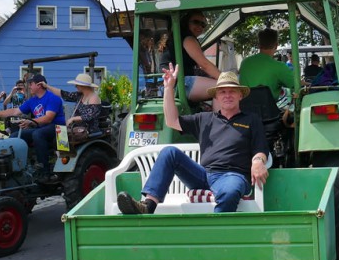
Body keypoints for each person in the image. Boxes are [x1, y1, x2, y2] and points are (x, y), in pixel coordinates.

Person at [116, 67, 271, 215]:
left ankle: (216, 233)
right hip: (203, 176)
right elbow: (172, 121)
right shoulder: (204, 119)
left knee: (229, 191)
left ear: (240, 95)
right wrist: (169, 88)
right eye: (222, 91)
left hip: (232, 175)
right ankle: (148, 206)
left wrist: (258, 160)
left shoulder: (251, 120)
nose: (227, 95)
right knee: (169, 153)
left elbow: (261, 148)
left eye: (232, 91)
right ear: (216, 96)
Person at [0, 73, 66, 181]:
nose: (29, 86)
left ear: (39, 85)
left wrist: (31, 121)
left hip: (59, 129)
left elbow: (48, 118)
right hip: (41, 127)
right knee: (15, 136)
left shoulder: (53, 98)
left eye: (31, 84)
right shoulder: (32, 100)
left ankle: (45, 171)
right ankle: (18, 168)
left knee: (37, 134)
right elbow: (14, 111)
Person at [239, 28, 295, 99]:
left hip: (244, 107)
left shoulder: (245, 63)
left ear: (259, 45)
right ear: (276, 45)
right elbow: (296, 85)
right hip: (268, 109)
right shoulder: (279, 67)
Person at [178, 11, 221, 102]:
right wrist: (226, 78)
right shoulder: (188, 38)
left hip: (176, 82)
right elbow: (204, 64)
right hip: (179, 83)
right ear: (186, 22)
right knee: (225, 88)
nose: (200, 26)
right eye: (196, 22)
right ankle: (221, 117)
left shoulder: (180, 37)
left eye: (203, 24)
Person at [45, 72, 103, 137]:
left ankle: (63, 147)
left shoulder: (94, 98)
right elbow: (64, 94)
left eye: (77, 85)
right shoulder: (80, 95)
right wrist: (47, 87)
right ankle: (60, 147)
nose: (75, 86)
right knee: (57, 135)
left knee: (62, 137)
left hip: (88, 130)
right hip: (76, 128)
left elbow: (89, 116)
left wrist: (73, 119)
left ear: (83, 86)